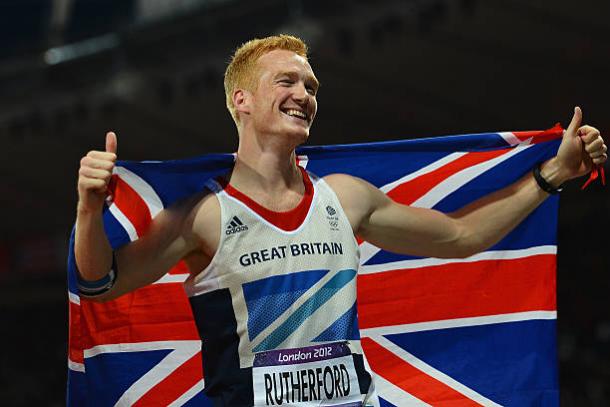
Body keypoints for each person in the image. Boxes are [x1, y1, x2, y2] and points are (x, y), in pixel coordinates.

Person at [75, 35, 607, 405]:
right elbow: (102, 283)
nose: (305, 96)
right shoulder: (203, 217)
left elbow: (463, 237)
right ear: (242, 99)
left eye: (311, 87)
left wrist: (552, 175)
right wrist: (87, 208)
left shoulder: (347, 199)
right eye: (287, 81)